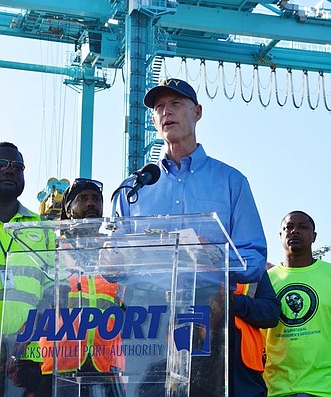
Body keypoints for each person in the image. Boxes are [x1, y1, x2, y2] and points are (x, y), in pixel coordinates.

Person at [117, 79, 268, 395]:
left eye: (175, 104)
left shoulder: (230, 181)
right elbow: (115, 262)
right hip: (147, 318)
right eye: (159, 107)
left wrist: (211, 255)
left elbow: (254, 258)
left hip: (206, 315)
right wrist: (110, 259)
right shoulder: (134, 189)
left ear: (197, 112)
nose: (166, 112)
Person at [38, 178, 125, 397]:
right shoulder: (53, 248)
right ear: (68, 209)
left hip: (106, 365)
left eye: (96, 199)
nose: (91, 204)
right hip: (60, 363)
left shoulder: (113, 253)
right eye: (83, 198)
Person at [0, 141, 55, 397]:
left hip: (27, 361)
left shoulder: (43, 229)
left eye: (17, 166)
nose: (9, 170)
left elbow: (54, 292)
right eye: (2, 164)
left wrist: (20, 346)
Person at [264, 210, 331, 397]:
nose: (295, 231)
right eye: (288, 227)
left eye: (302, 227)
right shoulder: (266, 280)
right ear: (280, 235)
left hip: (324, 388)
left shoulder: (329, 275)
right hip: (276, 389)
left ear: (314, 236)